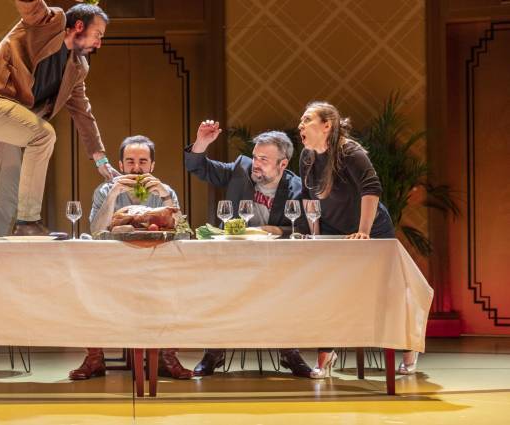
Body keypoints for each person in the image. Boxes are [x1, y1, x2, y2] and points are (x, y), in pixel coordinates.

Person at [0, 0, 118, 237]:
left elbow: (83, 113)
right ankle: (28, 221)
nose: (99, 43)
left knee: (6, 198)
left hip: (4, 123)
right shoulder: (49, 22)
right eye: (97, 34)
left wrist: (100, 159)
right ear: (78, 26)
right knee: (43, 134)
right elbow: (29, 5)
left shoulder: (77, 67)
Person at [183, 120, 313, 378]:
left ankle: (289, 352)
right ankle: (214, 352)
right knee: (214, 285)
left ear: (283, 164)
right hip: (233, 259)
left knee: (289, 287)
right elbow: (198, 167)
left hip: (275, 262)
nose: (256, 163)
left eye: (264, 159)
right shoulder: (240, 169)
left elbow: (304, 229)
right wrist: (201, 143)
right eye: (255, 157)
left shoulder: (297, 188)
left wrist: (276, 230)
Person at [296, 101, 416, 378]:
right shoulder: (307, 156)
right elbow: (308, 198)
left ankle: (410, 348)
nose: (300, 125)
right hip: (333, 229)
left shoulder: (349, 151)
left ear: (327, 125)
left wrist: (364, 231)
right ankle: (327, 353)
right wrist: (315, 235)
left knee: (388, 292)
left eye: (307, 119)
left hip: (372, 229)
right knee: (327, 290)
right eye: (300, 120)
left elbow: (371, 187)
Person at [69, 135, 193, 380]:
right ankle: (94, 358)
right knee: (83, 284)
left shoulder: (165, 191)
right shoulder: (105, 190)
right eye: (130, 162)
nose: (136, 168)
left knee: (181, 282)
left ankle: (167, 357)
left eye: (143, 162)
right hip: (112, 267)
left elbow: (184, 232)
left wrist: (166, 198)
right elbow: (96, 231)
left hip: (155, 265)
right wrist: (113, 194)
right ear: (121, 164)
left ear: (152, 165)